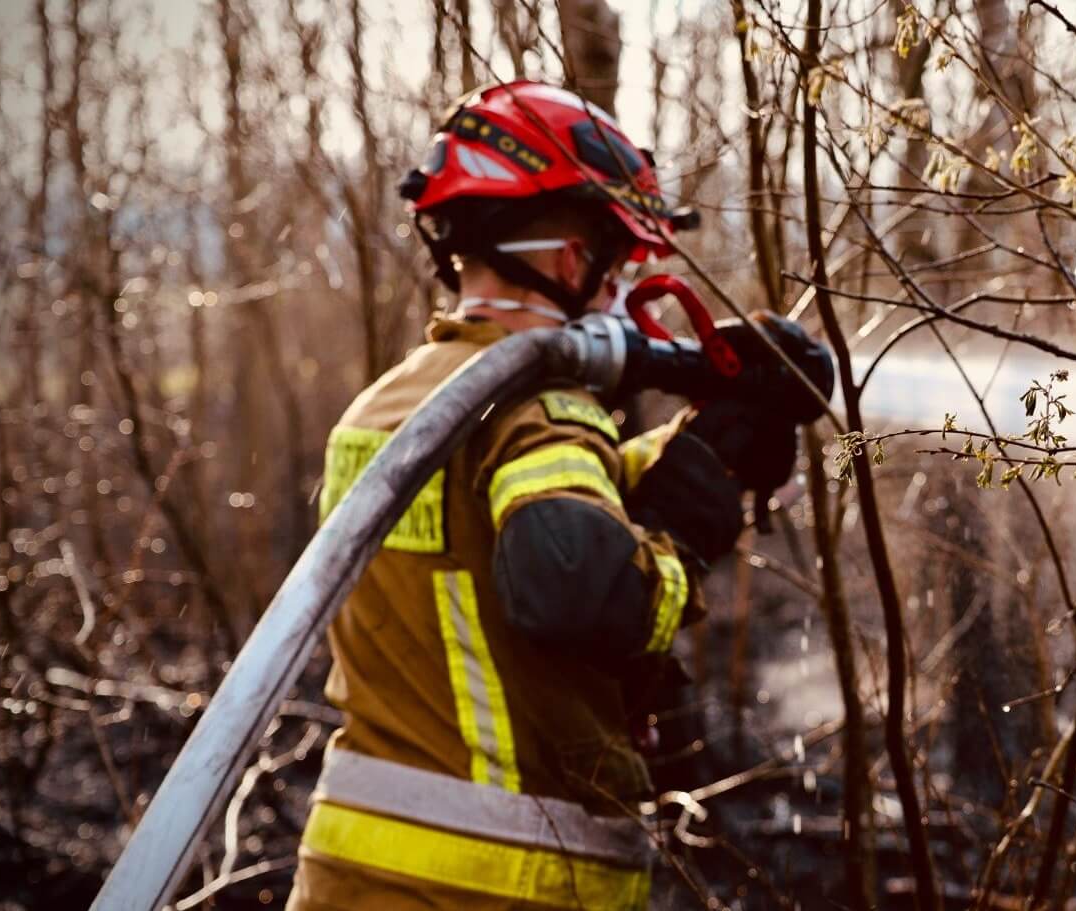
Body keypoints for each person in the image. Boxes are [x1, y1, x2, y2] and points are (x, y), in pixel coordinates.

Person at [286, 80, 748, 911]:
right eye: (616, 257)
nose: (619, 286)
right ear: (575, 258)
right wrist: (680, 537)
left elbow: (473, 536)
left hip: (348, 875)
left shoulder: (388, 406)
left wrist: (685, 455)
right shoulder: (538, 406)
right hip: (507, 883)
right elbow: (573, 581)